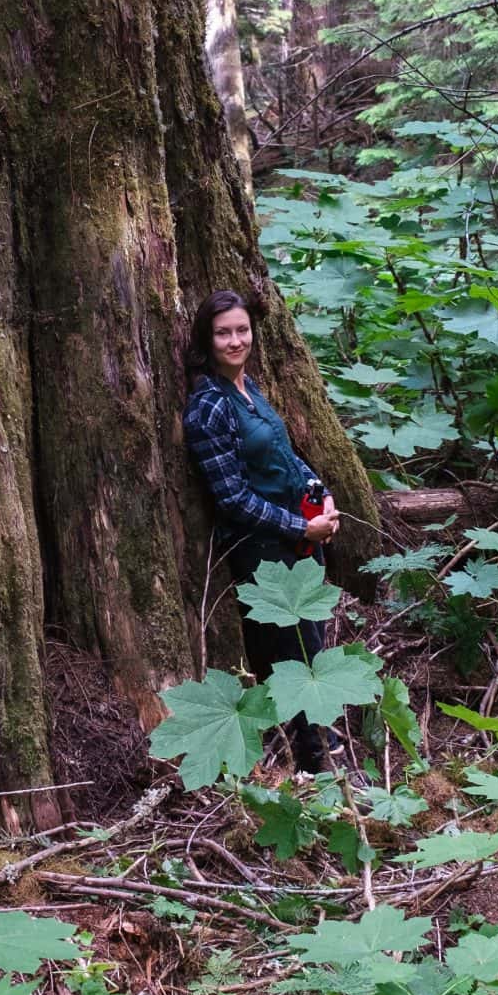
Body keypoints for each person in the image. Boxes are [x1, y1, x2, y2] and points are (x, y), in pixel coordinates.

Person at [181, 289, 348, 773]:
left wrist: (321, 492)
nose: (235, 341)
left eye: (241, 330)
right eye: (223, 333)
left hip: (300, 542)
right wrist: (302, 526)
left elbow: (284, 454)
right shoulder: (208, 407)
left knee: (312, 647)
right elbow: (231, 499)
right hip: (263, 553)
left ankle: (324, 759)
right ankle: (320, 765)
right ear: (206, 340)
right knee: (295, 658)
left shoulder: (248, 388)